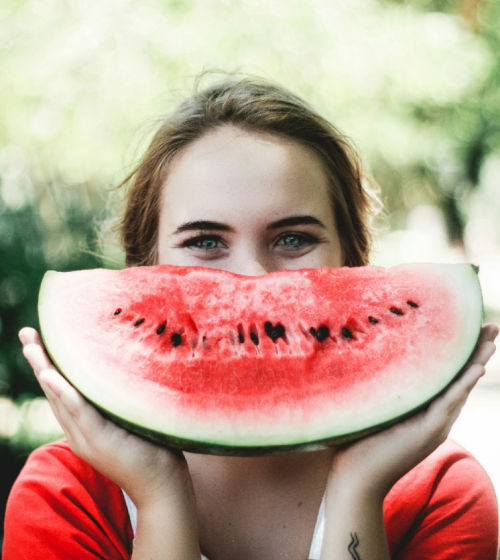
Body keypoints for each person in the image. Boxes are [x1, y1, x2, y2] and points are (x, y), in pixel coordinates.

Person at [3, 77, 499, 560]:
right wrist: (159, 497)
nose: (252, 279)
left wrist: (357, 489)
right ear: (143, 268)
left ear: (353, 262)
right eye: (204, 242)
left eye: (293, 238)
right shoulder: (66, 497)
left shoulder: (440, 494)